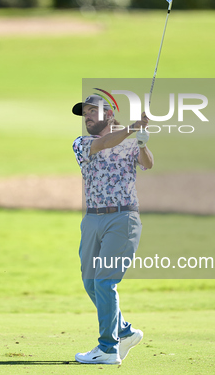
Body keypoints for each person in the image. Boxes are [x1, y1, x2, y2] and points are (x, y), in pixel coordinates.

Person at [71, 94, 153, 365]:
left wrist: (141, 143)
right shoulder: (82, 143)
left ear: (109, 113)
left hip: (123, 219)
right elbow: (105, 143)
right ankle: (125, 332)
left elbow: (148, 163)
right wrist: (133, 129)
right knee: (91, 283)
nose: (88, 117)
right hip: (92, 219)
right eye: (85, 114)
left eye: (93, 111)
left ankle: (108, 348)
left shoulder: (128, 143)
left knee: (105, 281)